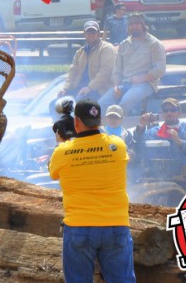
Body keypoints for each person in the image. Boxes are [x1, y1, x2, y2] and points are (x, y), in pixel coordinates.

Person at [48, 99, 135, 283]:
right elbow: (99, 142)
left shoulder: (62, 152)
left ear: (76, 122)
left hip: (79, 227)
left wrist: (61, 142)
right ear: (101, 121)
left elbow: (53, 172)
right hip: (116, 225)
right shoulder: (117, 146)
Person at [98, 13, 166, 117]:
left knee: (122, 105)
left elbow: (160, 69)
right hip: (124, 84)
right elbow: (117, 70)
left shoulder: (154, 44)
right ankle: (103, 131)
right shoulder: (124, 44)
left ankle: (120, 132)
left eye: (137, 24)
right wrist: (116, 87)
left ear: (143, 25)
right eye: (131, 24)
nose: (134, 27)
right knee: (100, 106)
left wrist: (142, 78)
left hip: (146, 84)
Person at [133, 98, 186, 173]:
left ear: (179, 113)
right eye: (165, 110)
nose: (169, 113)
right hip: (162, 178)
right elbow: (138, 145)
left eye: (173, 110)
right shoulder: (154, 132)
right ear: (162, 113)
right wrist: (141, 126)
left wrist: (180, 142)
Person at [57, 20, 116, 101]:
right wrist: (65, 88)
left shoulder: (107, 48)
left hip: (98, 91)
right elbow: (72, 72)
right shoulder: (80, 52)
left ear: (99, 34)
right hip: (79, 89)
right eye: (88, 33)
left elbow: (106, 72)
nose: (91, 35)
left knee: (78, 102)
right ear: (84, 34)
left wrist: (90, 87)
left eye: (94, 33)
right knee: (55, 104)